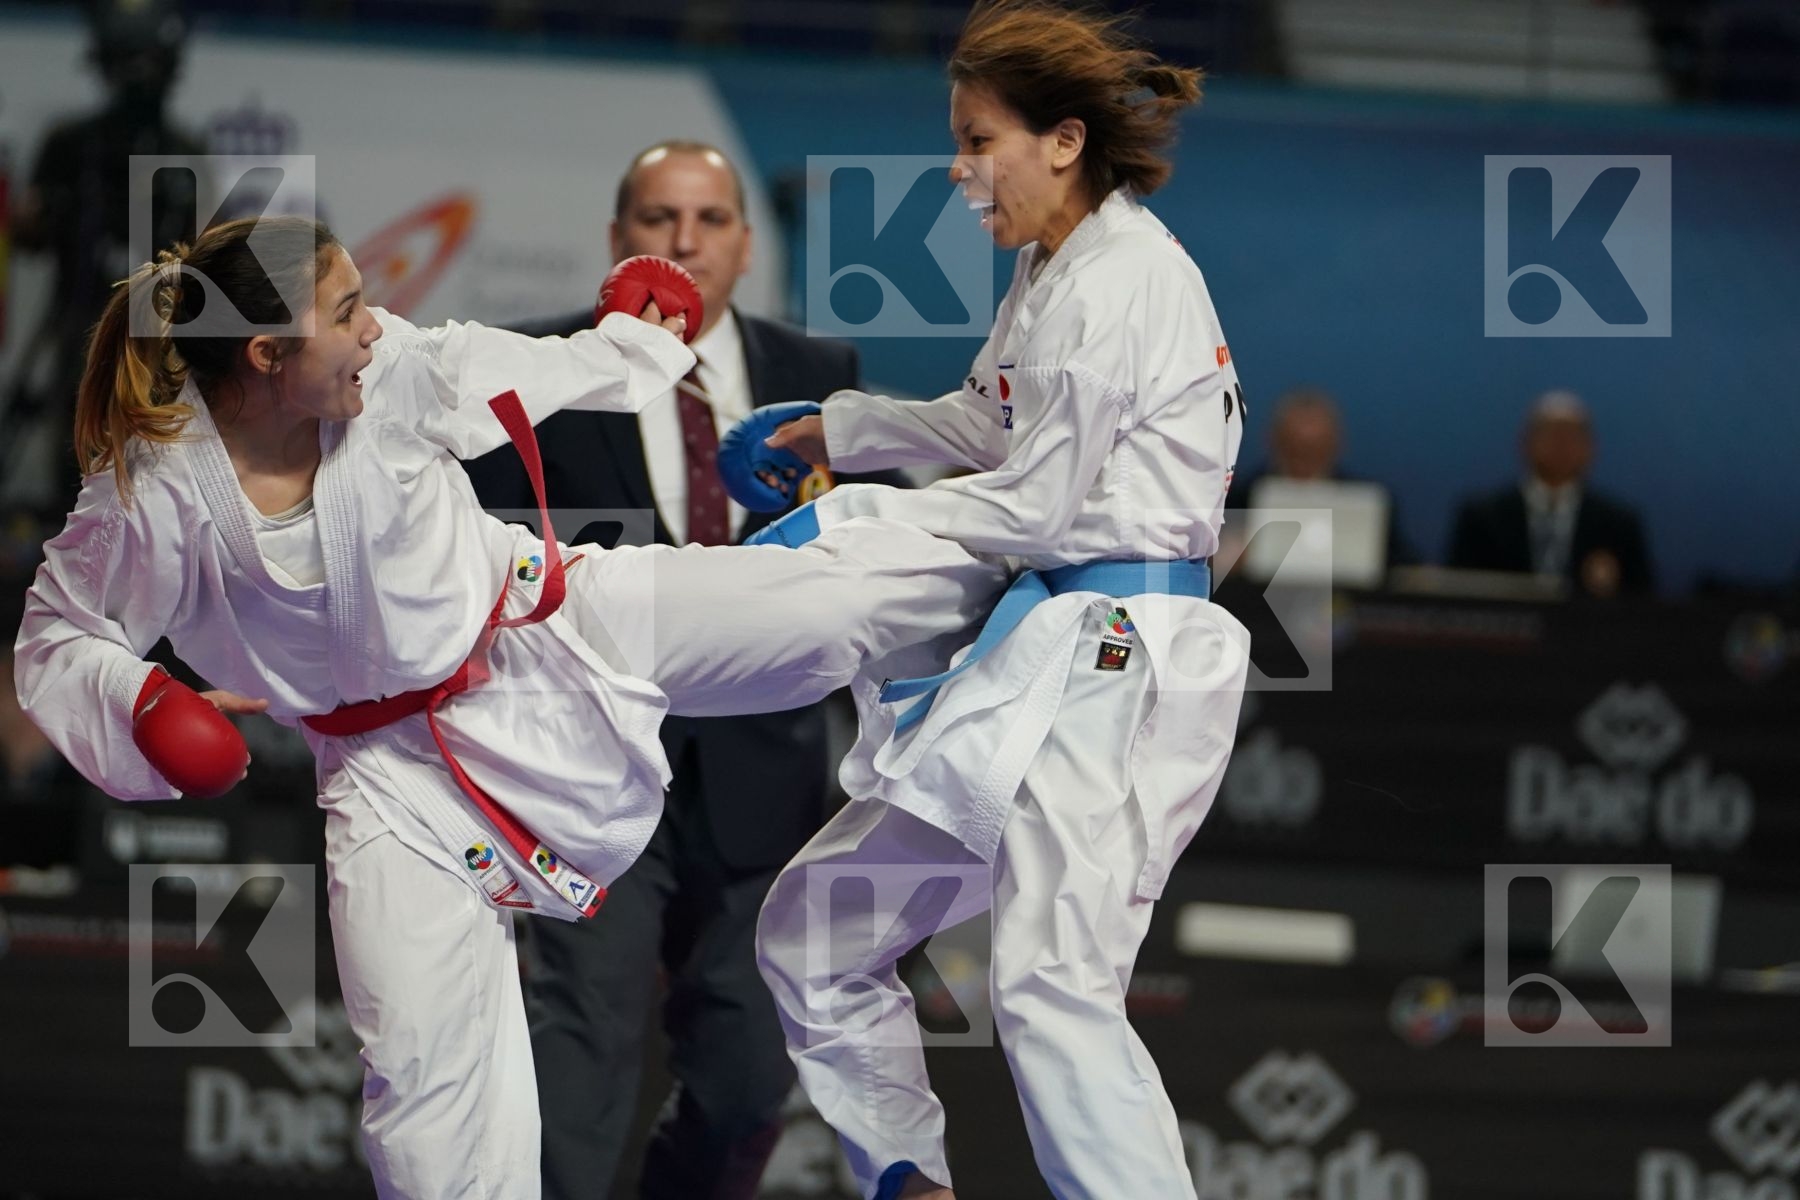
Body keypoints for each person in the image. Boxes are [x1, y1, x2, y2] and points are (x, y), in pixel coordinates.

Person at [11, 215, 1008, 1200]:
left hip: (546, 628)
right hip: (391, 785)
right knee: (424, 1089)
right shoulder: (158, 494)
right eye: (347, 312)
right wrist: (140, 702)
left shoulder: (393, 371)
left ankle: (1033, 561)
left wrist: (636, 338)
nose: (375, 324)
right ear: (269, 356)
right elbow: (58, 634)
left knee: (818, 610)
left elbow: (538, 368)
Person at [744, 4, 1251, 1197]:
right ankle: (909, 1183)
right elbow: (989, 424)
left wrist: (845, 523)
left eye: (979, 142)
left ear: (1063, 142)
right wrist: (844, 431)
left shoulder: (1123, 282)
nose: (959, 169)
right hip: (1046, 655)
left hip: (1125, 657)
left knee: (1052, 986)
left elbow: (1035, 505)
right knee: (819, 932)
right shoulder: (1054, 268)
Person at [466, 140, 899, 1200]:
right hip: (588, 772)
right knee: (578, 1058)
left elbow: (874, 560)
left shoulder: (819, 375)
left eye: (710, 220)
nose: (686, 242)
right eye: (660, 219)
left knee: (748, 1087)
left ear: (747, 243)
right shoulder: (544, 370)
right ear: (619, 240)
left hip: (765, 786)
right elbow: (465, 563)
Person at [3, 0, 206, 510]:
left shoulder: (184, 151)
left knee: (149, 467)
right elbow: (29, 238)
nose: (137, 77)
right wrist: (48, 213)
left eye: (148, 61)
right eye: (125, 61)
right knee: (75, 458)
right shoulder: (72, 146)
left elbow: (202, 255)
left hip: (155, 337)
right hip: (79, 325)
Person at [1447, 389, 1654, 598]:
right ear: (1525, 442)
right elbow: (1456, 594)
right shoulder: (1482, 518)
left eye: (1572, 436)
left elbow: (1642, 600)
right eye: (1552, 434)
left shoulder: (1618, 524)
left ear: (1590, 448)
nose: (1561, 446)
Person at [1223, 386, 1418, 568]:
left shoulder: (1371, 503)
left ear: (1336, 444)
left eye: (1315, 450)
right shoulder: (1237, 500)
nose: (1304, 461)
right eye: (1295, 449)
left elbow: (1405, 568)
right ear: (1273, 441)